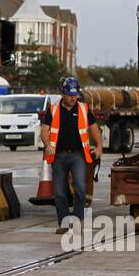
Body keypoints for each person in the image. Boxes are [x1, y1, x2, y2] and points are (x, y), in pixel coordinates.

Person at [34, 77, 103, 233]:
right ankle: (64, 223)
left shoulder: (84, 109)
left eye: (75, 95)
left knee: (79, 186)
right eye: (70, 95)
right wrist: (48, 145)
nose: (73, 98)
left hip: (77, 155)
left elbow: (94, 129)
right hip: (58, 156)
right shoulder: (53, 109)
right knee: (59, 192)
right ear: (62, 94)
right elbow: (45, 130)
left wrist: (99, 147)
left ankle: (77, 219)